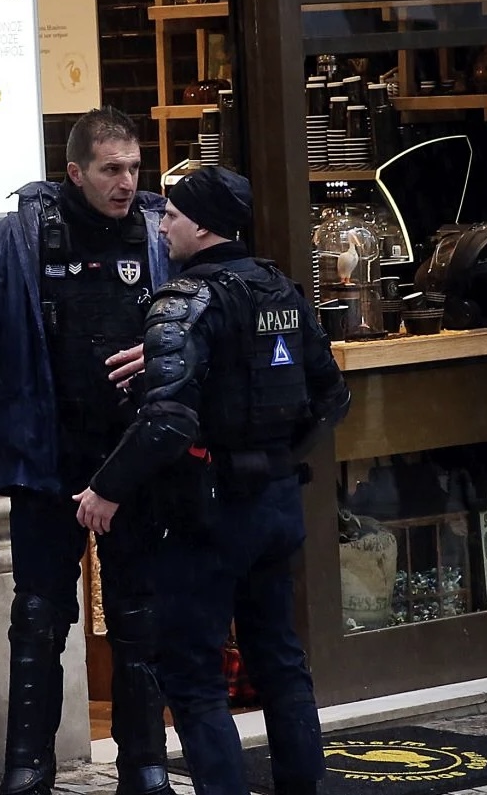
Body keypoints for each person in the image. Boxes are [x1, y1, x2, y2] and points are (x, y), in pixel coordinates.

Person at [74, 168, 350, 795]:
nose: (162, 226)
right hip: (276, 503)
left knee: (195, 677)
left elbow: (167, 421)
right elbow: (332, 398)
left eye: (171, 214)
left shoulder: (183, 300)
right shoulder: (282, 289)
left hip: (210, 513)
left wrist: (106, 488)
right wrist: (273, 456)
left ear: (201, 226)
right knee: (280, 661)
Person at [0, 107, 176, 795]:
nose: (126, 182)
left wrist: (167, 352)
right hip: (48, 457)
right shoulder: (22, 235)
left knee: (137, 613)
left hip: (131, 460)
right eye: (111, 169)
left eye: (134, 168)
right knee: (38, 615)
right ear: (74, 172)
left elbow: (204, 314)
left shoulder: (159, 231)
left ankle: (144, 765)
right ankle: (28, 767)